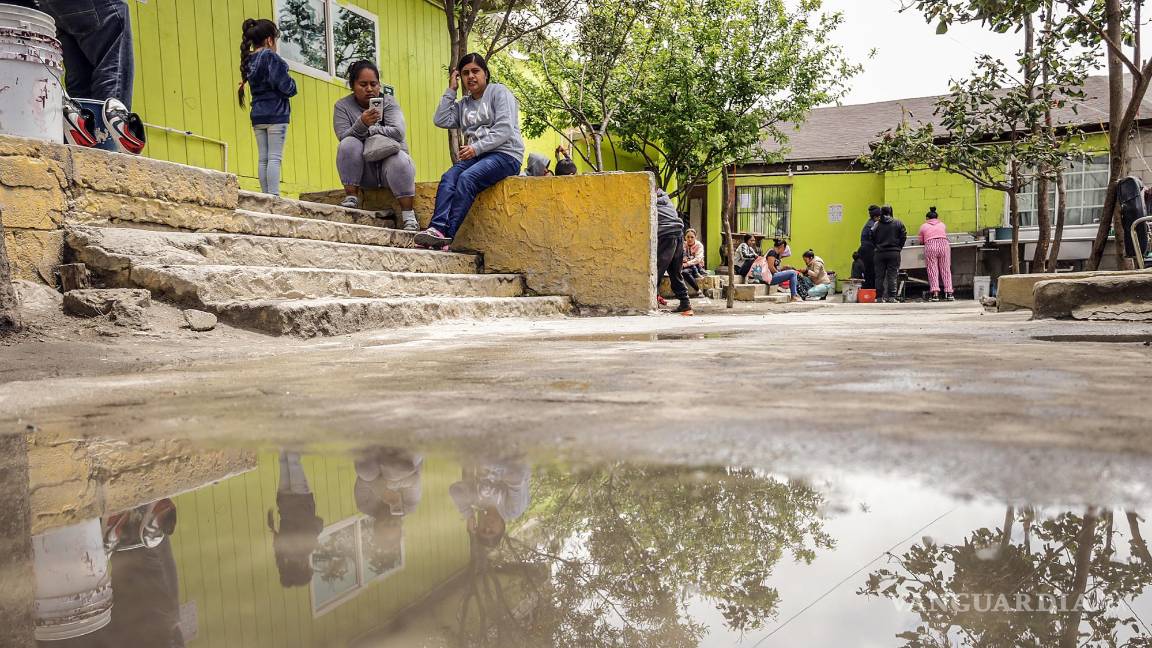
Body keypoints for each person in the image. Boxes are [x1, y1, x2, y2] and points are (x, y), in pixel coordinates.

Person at [417, 53, 524, 249]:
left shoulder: (499, 92)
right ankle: (436, 229)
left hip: (506, 155)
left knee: (467, 178)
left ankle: (446, 237)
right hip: (478, 156)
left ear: (485, 74)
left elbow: (505, 129)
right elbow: (440, 119)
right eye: (465, 73)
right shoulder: (463, 105)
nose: (471, 76)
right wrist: (451, 89)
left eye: (475, 71)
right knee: (449, 177)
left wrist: (476, 148)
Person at [334, 61, 420, 231]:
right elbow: (343, 137)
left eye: (373, 84)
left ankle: (409, 216)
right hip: (364, 170)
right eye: (363, 84)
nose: (369, 89)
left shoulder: (389, 102)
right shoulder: (342, 106)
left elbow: (398, 132)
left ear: (379, 85)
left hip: (391, 169)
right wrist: (361, 123)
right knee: (348, 143)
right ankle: (351, 198)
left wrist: (371, 128)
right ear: (352, 85)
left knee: (400, 158)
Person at [37, 0, 134, 108]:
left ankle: (83, 116)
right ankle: (111, 116)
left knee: (80, 78)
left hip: (49, 7)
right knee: (115, 20)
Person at [238, 19, 296, 197]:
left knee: (263, 158)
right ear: (270, 40)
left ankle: (265, 195)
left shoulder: (248, 59)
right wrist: (293, 85)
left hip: (258, 115)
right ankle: (274, 196)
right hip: (276, 114)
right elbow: (286, 87)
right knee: (274, 157)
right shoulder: (271, 57)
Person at [267, 451, 324, 588]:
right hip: (284, 500)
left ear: (304, 567)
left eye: (308, 567)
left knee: (294, 462)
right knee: (283, 461)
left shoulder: (306, 549)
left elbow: (317, 522)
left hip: (301, 499)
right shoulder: (282, 552)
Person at [450, 456, 531, 549]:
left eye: (483, 530)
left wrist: (468, 515)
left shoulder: (479, 502)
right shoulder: (513, 510)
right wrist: (489, 470)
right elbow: (517, 475)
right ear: (502, 529)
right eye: (491, 532)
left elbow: (455, 489)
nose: (487, 528)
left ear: (478, 526)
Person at [656, 189, 693, 314]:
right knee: (675, 272)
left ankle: (652, 301)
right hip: (678, 235)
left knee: (656, 271)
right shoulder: (666, 199)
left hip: (665, 235)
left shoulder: (650, 200)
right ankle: (685, 303)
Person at [870, 205, 907, 303]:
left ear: (881, 212)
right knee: (892, 275)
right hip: (894, 253)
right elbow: (903, 236)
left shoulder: (877, 224)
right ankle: (892, 297)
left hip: (879, 253)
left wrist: (877, 246)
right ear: (891, 212)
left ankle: (879, 297)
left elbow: (871, 236)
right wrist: (898, 248)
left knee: (879, 276)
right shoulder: (898, 223)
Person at [919, 206, 954, 302]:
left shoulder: (923, 226)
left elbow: (921, 241)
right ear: (937, 217)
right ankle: (949, 293)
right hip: (944, 245)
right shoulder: (942, 225)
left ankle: (935, 294)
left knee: (932, 270)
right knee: (946, 269)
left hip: (931, 246)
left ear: (927, 218)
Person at [765, 239, 803, 303]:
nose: (784, 251)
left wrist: (782, 269)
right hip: (768, 277)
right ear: (782, 246)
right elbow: (770, 267)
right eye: (784, 249)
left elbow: (774, 267)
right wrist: (779, 273)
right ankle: (794, 296)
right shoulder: (772, 252)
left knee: (792, 272)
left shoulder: (776, 254)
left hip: (770, 276)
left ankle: (795, 295)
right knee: (793, 273)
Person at [858, 205, 881, 290]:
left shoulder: (870, 223)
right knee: (870, 274)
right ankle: (870, 292)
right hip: (868, 252)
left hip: (866, 251)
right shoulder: (872, 226)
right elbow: (876, 239)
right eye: (879, 217)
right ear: (875, 217)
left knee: (868, 274)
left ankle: (869, 291)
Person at [681, 228, 706, 292]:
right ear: (685, 237)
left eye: (692, 237)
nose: (690, 239)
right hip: (686, 266)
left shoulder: (699, 245)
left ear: (695, 237)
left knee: (684, 272)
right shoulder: (683, 244)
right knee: (683, 272)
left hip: (697, 267)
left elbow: (698, 259)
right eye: (688, 237)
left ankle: (697, 290)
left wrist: (686, 264)